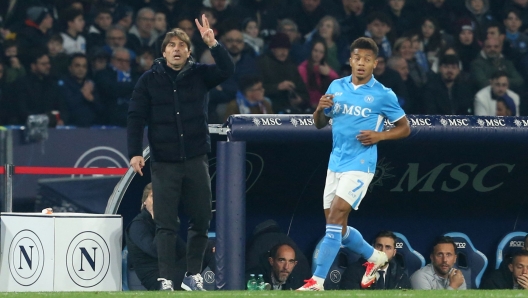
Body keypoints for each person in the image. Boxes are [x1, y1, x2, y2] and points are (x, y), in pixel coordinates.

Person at [127, 15, 234, 291]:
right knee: (166, 223)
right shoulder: (148, 80)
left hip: (196, 159)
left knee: (201, 219)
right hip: (164, 162)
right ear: (163, 52)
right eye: (171, 45)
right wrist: (135, 152)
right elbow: (135, 117)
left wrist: (213, 44)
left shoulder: (200, 74)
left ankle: (192, 274)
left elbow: (227, 70)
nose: (176, 49)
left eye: (182, 45)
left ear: (189, 51)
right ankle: (165, 279)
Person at [298, 37, 410, 291]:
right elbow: (319, 124)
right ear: (350, 60)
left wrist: (380, 135)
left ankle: (317, 281)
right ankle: (376, 258)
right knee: (338, 226)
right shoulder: (336, 85)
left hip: (361, 164)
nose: (361, 63)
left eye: (367, 60)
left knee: (335, 218)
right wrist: (318, 109)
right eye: (357, 58)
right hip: (335, 161)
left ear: (375, 63)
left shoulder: (383, 94)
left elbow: (405, 128)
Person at [125, 183, 215, 291]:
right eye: (154, 197)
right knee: (206, 246)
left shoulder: (166, 225)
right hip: (157, 280)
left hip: (172, 272)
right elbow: (155, 251)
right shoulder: (138, 225)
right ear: (144, 201)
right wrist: (162, 224)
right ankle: (231, 285)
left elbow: (183, 252)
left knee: (207, 245)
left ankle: (231, 285)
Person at [340, 231, 412, 290]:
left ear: (394, 252)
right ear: (372, 249)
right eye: (379, 246)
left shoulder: (401, 276)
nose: (383, 251)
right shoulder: (354, 271)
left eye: (388, 247)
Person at [59, 53, 102, 127]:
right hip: (70, 127)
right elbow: (68, 105)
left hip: (92, 128)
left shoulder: (91, 85)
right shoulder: (63, 85)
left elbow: (101, 109)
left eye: (84, 66)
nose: (81, 69)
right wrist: (82, 93)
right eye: (77, 66)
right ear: (70, 68)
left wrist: (91, 99)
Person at [298, 38, 339, 109]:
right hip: (308, 105)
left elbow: (338, 82)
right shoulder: (303, 68)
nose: (317, 54)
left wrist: (329, 73)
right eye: (315, 51)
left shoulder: (325, 67)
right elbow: (304, 90)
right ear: (311, 51)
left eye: (321, 52)